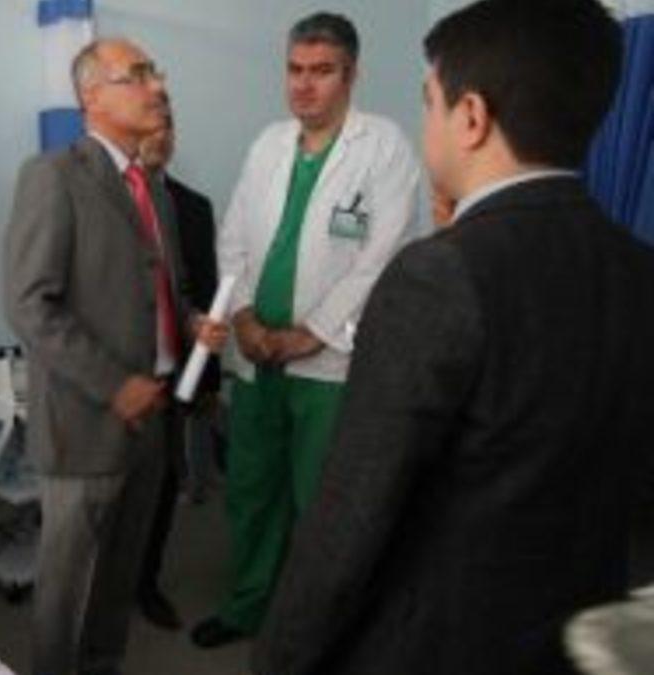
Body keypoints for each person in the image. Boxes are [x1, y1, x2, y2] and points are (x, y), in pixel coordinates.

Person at [248, 1, 654, 673]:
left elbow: (350, 519)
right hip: (576, 634)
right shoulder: (637, 269)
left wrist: (279, 659)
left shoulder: (437, 275)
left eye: (429, 101)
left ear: (470, 117)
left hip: (440, 640)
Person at [194, 12, 421, 649]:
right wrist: (244, 317)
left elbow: (381, 258)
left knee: (320, 500)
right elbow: (234, 239)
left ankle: (314, 626)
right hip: (256, 353)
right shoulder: (268, 144)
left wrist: (311, 334)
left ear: (351, 75)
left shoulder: (385, 148)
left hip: (329, 363)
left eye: (321, 71)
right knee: (251, 488)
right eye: (295, 69)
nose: (304, 84)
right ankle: (247, 606)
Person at [4, 37, 227, 675]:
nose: (157, 87)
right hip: (87, 421)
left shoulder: (151, 187)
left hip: (152, 417)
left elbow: (165, 290)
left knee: (117, 583)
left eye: (156, 73)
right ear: (92, 96)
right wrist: (114, 384)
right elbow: (29, 303)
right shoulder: (54, 176)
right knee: (68, 591)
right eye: (138, 75)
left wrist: (191, 324)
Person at [134, 111, 221, 631]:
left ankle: (146, 582)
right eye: (150, 127)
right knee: (112, 493)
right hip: (116, 380)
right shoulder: (104, 200)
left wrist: (206, 380)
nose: (160, 137)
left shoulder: (192, 208)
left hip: (171, 376)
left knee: (164, 485)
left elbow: (204, 294)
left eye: (168, 127)